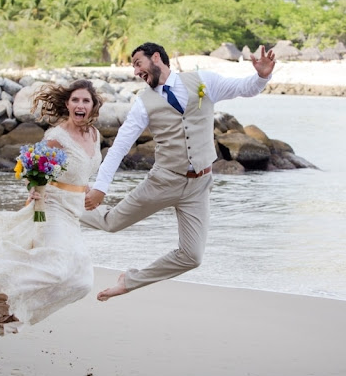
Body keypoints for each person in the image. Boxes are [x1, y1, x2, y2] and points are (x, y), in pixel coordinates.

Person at [82, 42, 276, 301]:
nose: (136, 72)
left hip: (199, 185)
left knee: (192, 256)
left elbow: (244, 88)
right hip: (163, 181)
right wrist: (100, 188)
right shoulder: (144, 103)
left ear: (156, 58)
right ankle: (60, 204)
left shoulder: (203, 81)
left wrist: (262, 76)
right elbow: (119, 147)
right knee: (111, 222)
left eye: (138, 64)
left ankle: (129, 281)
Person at [0, 79, 103, 335]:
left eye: (85, 100)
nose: (80, 104)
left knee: (82, 281)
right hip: (52, 208)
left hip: (74, 213)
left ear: (93, 105)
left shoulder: (94, 134)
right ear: (67, 104)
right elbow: (35, 170)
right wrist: (35, 190)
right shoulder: (57, 137)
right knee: (55, 269)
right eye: (75, 100)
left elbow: (82, 172)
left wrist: (88, 188)